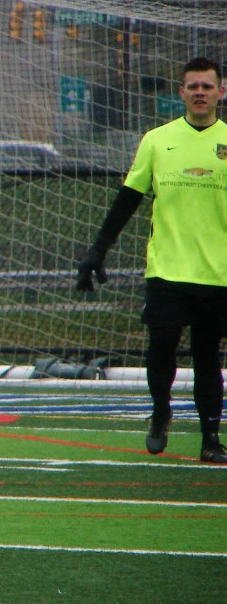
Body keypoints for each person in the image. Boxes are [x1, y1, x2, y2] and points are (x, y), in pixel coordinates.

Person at [76, 56, 227, 465]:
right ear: (181, 93)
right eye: (192, 86)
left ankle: (211, 439)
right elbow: (128, 198)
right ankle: (161, 412)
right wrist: (98, 250)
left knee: (207, 355)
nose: (200, 93)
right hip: (167, 269)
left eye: (207, 86)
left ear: (221, 92)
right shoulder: (157, 140)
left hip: (217, 273)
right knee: (161, 346)